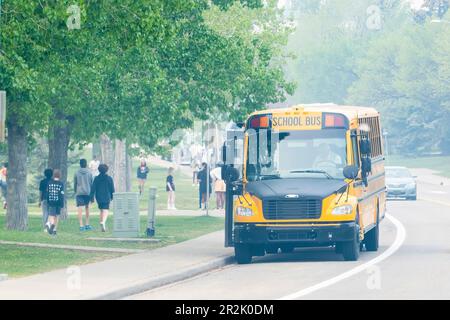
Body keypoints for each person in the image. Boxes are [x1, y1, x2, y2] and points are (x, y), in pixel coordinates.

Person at [90, 164, 115, 232]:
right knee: (106, 210)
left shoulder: (96, 178)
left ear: (99, 170)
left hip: (99, 197)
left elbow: (93, 189)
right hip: (106, 196)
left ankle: (102, 225)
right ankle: (103, 222)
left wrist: (92, 198)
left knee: (101, 210)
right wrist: (113, 196)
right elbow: (112, 188)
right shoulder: (109, 178)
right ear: (106, 170)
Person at [74, 159, 94, 231]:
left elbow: (75, 183)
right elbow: (91, 183)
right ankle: (87, 224)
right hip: (88, 192)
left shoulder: (76, 172)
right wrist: (92, 194)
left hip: (79, 192)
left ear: (80, 164)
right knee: (87, 208)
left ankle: (81, 225)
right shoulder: (89, 172)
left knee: (80, 208)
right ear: (86, 164)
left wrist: (75, 191)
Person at [46, 170, 65, 236]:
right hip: (59, 202)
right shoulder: (61, 184)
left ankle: (51, 224)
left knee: (51, 215)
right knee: (57, 215)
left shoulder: (49, 183)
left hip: (51, 201)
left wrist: (48, 201)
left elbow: (48, 193)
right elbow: (62, 194)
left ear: (53, 175)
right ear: (59, 175)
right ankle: (54, 229)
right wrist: (62, 203)